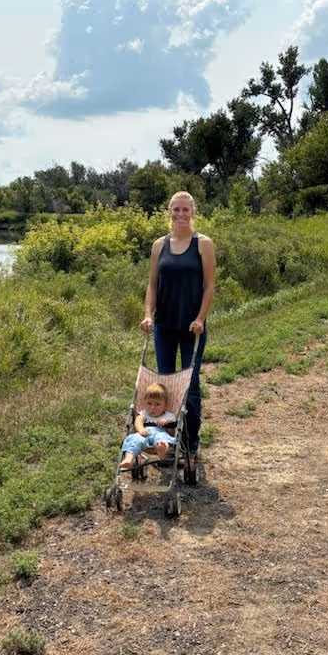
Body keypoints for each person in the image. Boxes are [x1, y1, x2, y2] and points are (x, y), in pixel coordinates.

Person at [139, 191, 215, 470]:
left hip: (192, 328)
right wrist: (148, 315)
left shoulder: (202, 244)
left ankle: (191, 446)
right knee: (165, 387)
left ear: (193, 212)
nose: (180, 214)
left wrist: (201, 317)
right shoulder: (159, 246)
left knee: (190, 388)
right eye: (176, 210)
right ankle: (167, 443)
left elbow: (209, 285)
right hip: (164, 326)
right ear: (169, 212)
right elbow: (152, 285)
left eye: (185, 210)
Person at [120, 382, 176, 469]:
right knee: (134, 439)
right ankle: (128, 459)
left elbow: (173, 427)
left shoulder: (168, 415)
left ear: (165, 406)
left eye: (157, 404)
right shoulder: (144, 413)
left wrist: (165, 421)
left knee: (162, 439)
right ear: (144, 403)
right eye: (149, 403)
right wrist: (141, 429)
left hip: (160, 433)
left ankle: (162, 450)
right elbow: (138, 420)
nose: (152, 407)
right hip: (144, 434)